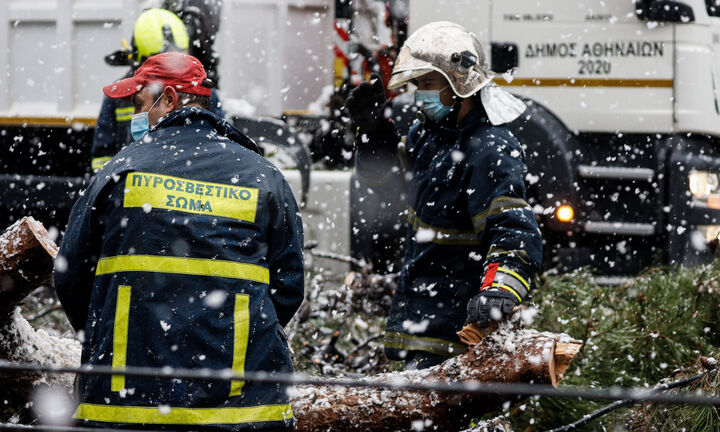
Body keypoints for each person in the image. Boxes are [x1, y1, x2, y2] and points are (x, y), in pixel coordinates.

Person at [55, 52, 304, 430]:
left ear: (168, 99)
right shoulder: (263, 175)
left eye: (140, 104)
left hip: (126, 404)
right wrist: (235, 340)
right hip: (240, 408)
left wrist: (110, 335)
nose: (137, 118)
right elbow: (288, 285)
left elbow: (71, 273)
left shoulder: (120, 170)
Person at [345, 21, 543, 370]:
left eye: (428, 84)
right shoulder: (429, 135)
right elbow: (386, 184)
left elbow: (512, 233)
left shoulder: (489, 149)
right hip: (420, 323)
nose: (420, 94)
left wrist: (500, 290)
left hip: (458, 336)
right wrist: (374, 134)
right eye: (418, 84)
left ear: (460, 83)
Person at [92, 8, 225, 172]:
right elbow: (102, 157)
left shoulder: (203, 93)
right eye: (159, 63)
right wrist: (111, 184)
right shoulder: (118, 94)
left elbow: (222, 148)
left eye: (175, 62)